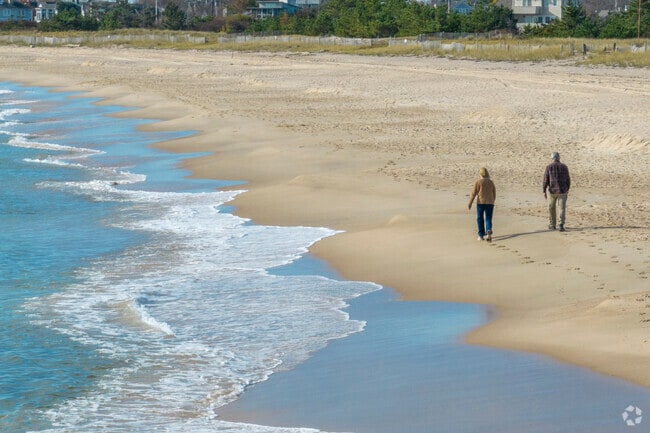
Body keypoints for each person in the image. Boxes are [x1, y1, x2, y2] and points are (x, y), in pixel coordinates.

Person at [543, 151, 571, 232]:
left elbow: (545, 180)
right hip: (563, 191)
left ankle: (552, 225)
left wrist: (544, 190)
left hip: (552, 191)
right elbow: (568, 179)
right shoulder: (564, 167)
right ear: (559, 158)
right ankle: (561, 224)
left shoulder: (549, 167)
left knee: (551, 208)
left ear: (552, 158)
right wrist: (567, 189)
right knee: (562, 208)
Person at [468, 167, 496, 241]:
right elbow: (494, 192)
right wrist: (493, 201)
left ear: (480, 174)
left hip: (481, 202)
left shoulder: (478, 182)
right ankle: (488, 230)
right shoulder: (491, 182)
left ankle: (480, 235)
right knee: (488, 218)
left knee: (480, 218)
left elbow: (473, 193)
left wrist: (470, 203)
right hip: (490, 202)